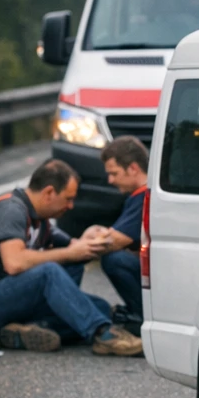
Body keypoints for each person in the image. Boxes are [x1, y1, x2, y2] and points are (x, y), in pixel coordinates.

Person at [0, 159, 143, 357]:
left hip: (6, 302)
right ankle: (103, 336)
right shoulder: (11, 210)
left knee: (98, 307)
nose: (71, 206)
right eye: (68, 198)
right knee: (49, 272)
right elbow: (14, 263)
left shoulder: (41, 221)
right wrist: (70, 253)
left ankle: (17, 331)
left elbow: (74, 248)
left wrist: (91, 238)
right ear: (49, 193)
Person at [82, 136, 148, 325]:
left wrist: (75, 248)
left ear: (133, 168)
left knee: (114, 260)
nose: (110, 180)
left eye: (114, 173)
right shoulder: (138, 196)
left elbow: (113, 241)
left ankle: (140, 314)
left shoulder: (142, 197)